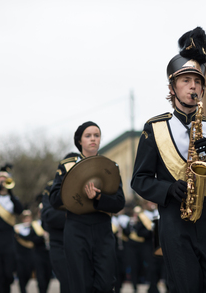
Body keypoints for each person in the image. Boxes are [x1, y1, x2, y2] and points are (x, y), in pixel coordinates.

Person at [131, 27, 206, 293]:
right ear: (172, 87)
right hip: (174, 219)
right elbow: (139, 180)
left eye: (198, 81)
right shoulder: (154, 128)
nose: (193, 86)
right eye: (185, 80)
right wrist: (168, 189)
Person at [49, 121, 125, 293]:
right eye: (88, 136)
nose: (93, 139)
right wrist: (77, 191)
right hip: (76, 228)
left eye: (96, 135)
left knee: (106, 284)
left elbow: (119, 202)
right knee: (80, 285)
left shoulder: (110, 167)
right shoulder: (67, 164)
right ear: (79, 141)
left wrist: (98, 197)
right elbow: (54, 199)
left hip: (103, 229)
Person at [0, 164, 24, 293]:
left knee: (8, 272)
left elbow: (20, 210)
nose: (2, 182)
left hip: (8, 238)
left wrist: (10, 191)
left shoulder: (13, 199)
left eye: (5, 180)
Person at [41, 180, 70, 293]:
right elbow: (48, 216)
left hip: (82, 243)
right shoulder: (51, 187)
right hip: (59, 244)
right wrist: (73, 214)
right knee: (67, 281)